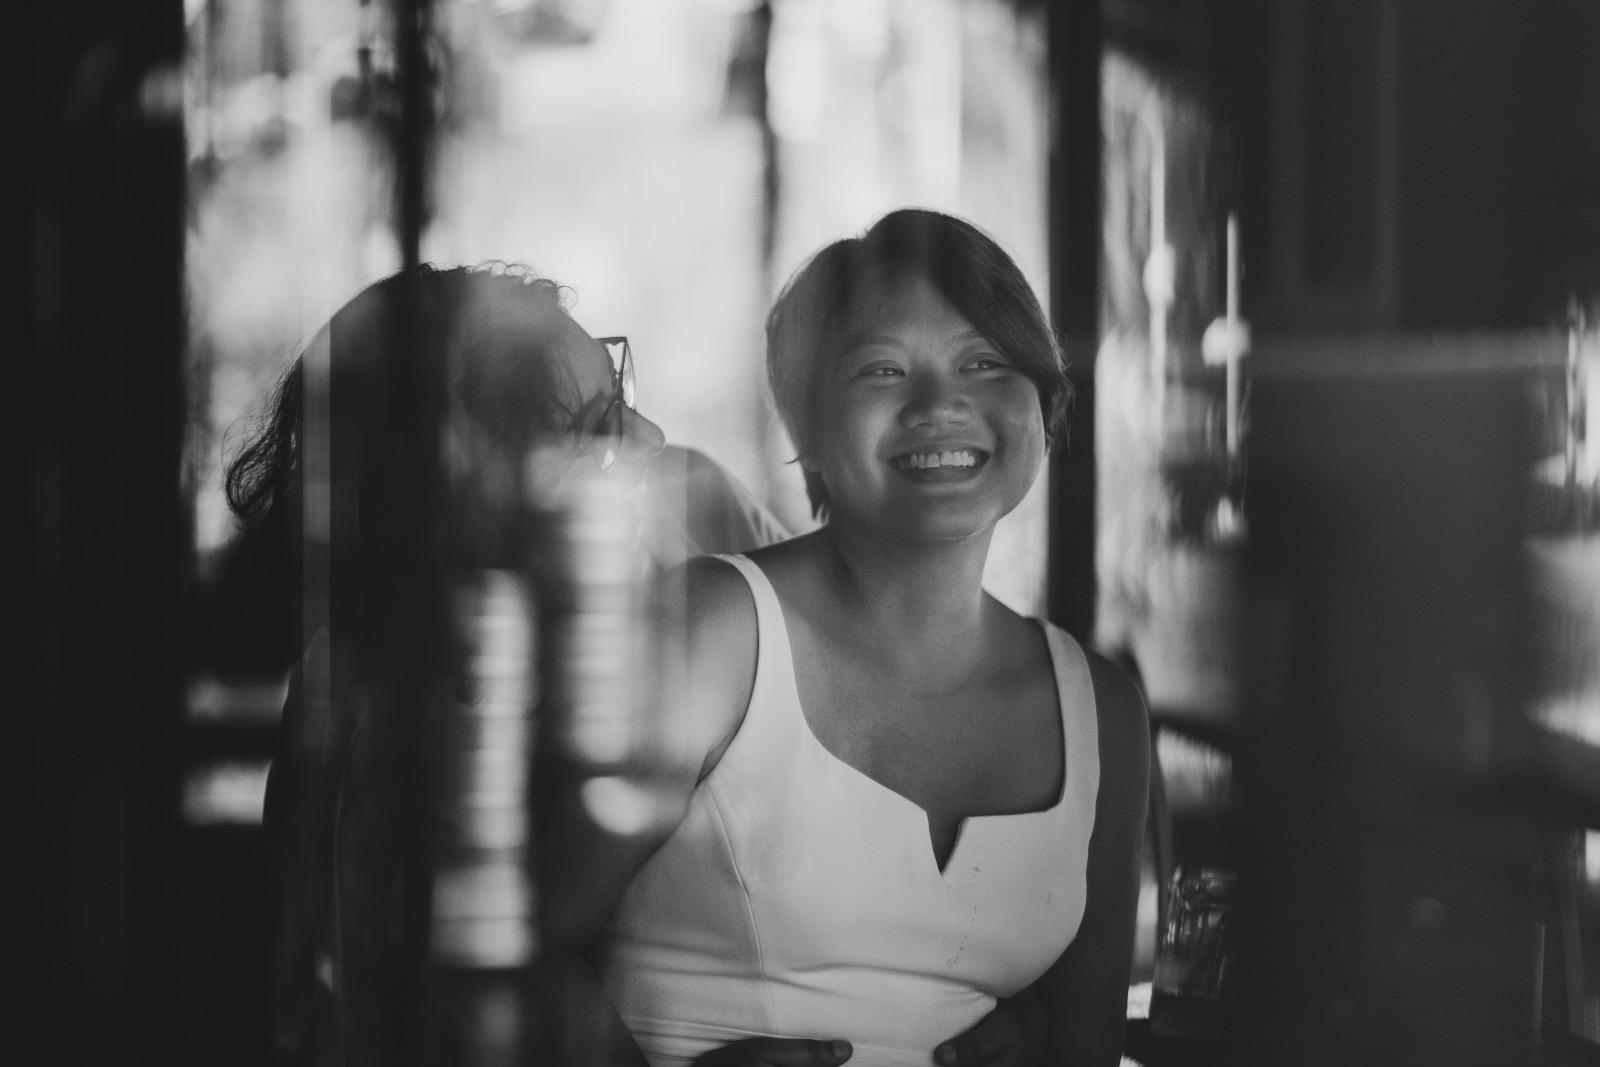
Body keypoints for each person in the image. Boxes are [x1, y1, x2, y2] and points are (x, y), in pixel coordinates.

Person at [581, 210, 1151, 1067]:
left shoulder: (1099, 707)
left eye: (984, 361)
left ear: (1046, 402)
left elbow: (1086, 1041)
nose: (940, 404)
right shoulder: (717, 632)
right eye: (882, 369)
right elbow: (504, 941)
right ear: (804, 425)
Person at [209, 261, 789, 1065]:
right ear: (456, 497)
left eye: (618, 390)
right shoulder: (385, 722)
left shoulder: (699, 510)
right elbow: (422, 1003)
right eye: (596, 428)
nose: (650, 438)